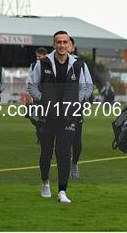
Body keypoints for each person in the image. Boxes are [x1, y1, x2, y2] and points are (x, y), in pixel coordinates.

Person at [28, 31, 86, 204]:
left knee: (63, 152)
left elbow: (84, 88)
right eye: (58, 42)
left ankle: (62, 191)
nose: (62, 45)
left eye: (65, 42)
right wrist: (42, 101)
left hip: (68, 117)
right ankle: (45, 182)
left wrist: (76, 102)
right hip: (47, 117)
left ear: (69, 45)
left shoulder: (77, 64)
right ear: (54, 45)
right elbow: (31, 85)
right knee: (46, 152)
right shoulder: (43, 63)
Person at [68, 37, 93, 180]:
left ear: (72, 47)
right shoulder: (53, 63)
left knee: (76, 140)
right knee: (60, 139)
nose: (65, 46)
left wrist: (81, 101)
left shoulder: (80, 64)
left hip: (76, 108)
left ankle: (74, 163)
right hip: (58, 108)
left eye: (68, 43)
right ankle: (64, 166)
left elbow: (88, 85)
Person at [26, 47, 48, 143]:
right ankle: (40, 133)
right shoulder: (33, 65)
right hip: (36, 94)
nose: (37, 58)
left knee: (43, 116)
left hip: (47, 95)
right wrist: (29, 94)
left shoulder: (49, 65)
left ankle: (42, 136)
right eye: (37, 56)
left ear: (45, 56)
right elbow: (29, 80)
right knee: (34, 116)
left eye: (39, 56)